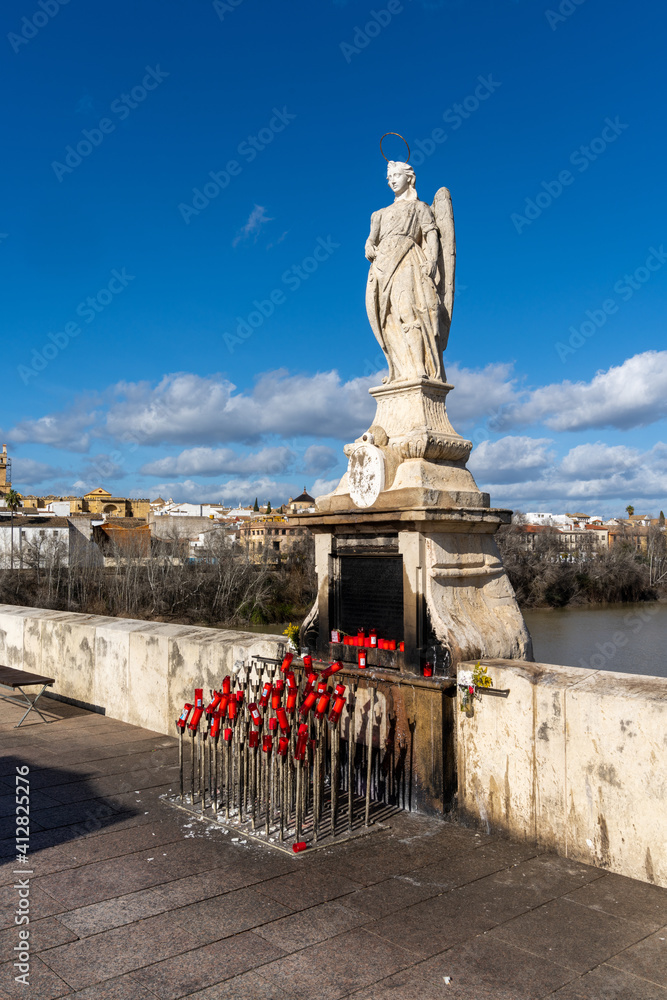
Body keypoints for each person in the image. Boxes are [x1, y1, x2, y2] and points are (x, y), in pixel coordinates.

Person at [365, 160, 444, 383]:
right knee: (388, 316)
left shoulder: (419, 208)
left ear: (409, 178)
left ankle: (419, 367)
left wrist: (432, 260)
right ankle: (400, 369)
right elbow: (370, 241)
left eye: (396, 176)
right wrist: (369, 247)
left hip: (407, 260)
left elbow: (430, 234)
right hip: (381, 266)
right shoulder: (379, 214)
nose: (391, 181)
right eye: (389, 178)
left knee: (408, 310)